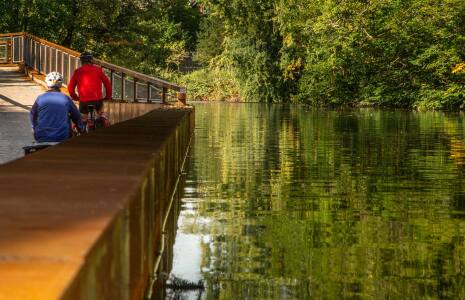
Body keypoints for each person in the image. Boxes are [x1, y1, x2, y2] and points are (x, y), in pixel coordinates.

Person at [30, 72, 84, 142]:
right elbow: (76, 115)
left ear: (47, 84)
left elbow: (32, 114)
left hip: (42, 136)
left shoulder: (40, 98)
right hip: (62, 137)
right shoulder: (66, 98)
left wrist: (34, 128)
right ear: (60, 85)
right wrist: (80, 128)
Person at [67, 52, 112, 127]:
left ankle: (77, 131)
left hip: (84, 101)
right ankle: (103, 120)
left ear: (81, 61)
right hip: (98, 100)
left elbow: (70, 88)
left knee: (82, 119)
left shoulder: (77, 71)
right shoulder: (98, 70)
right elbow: (108, 85)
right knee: (102, 114)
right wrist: (108, 96)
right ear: (91, 60)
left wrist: (76, 97)